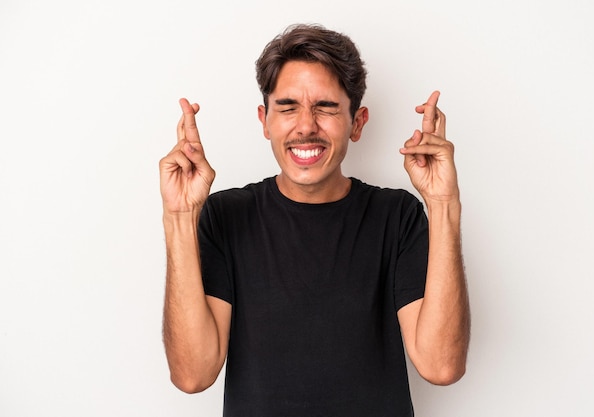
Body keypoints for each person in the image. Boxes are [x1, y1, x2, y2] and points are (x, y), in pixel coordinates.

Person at [159, 23, 470, 417]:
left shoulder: (397, 217)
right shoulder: (225, 216)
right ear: (265, 120)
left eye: (325, 107)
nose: (306, 126)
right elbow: (193, 375)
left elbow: (441, 366)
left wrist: (444, 204)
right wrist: (179, 216)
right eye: (288, 107)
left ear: (357, 123)